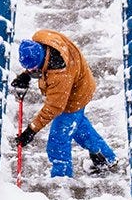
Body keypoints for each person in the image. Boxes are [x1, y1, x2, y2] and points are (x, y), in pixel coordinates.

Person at [12, 30, 117, 178]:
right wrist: (26, 75)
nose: (31, 71)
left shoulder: (59, 74)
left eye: (33, 69)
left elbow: (54, 107)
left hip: (75, 96)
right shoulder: (41, 38)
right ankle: (105, 157)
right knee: (78, 126)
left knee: (58, 141)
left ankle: (61, 182)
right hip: (79, 80)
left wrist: (31, 130)